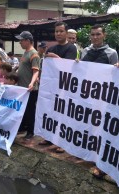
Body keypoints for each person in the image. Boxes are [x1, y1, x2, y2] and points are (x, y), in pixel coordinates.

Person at [80, 24, 119, 179]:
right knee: (86, 125)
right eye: (93, 34)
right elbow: (81, 72)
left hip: (103, 97)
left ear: (104, 35)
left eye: (98, 34)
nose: (95, 37)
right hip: (86, 95)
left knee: (101, 128)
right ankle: (85, 152)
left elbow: (115, 76)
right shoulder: (85, 51)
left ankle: (99, 157)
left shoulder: (112, 53)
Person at [39, 21, 77, 153]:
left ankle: (62, 142)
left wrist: (54, 58)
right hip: (52, 87)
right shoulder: (51, 49)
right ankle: (49, 137)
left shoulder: (71, 48)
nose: (58, 33)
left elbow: (68, 67)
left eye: (61, 31)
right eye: (56, 31)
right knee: (51, 113)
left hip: (65, 87)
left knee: (63, 115)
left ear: (66, 33)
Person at [15, 31, 40, 140]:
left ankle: (31, 131)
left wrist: (32, 82)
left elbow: (36, 71)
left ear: (28, 41)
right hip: (23, 88)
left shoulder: (34, 54)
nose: (20, 42)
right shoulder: (26, 52)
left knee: (30, 110)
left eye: (21, 40)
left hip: (30, 89)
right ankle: (23, 127)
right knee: (24, 109)